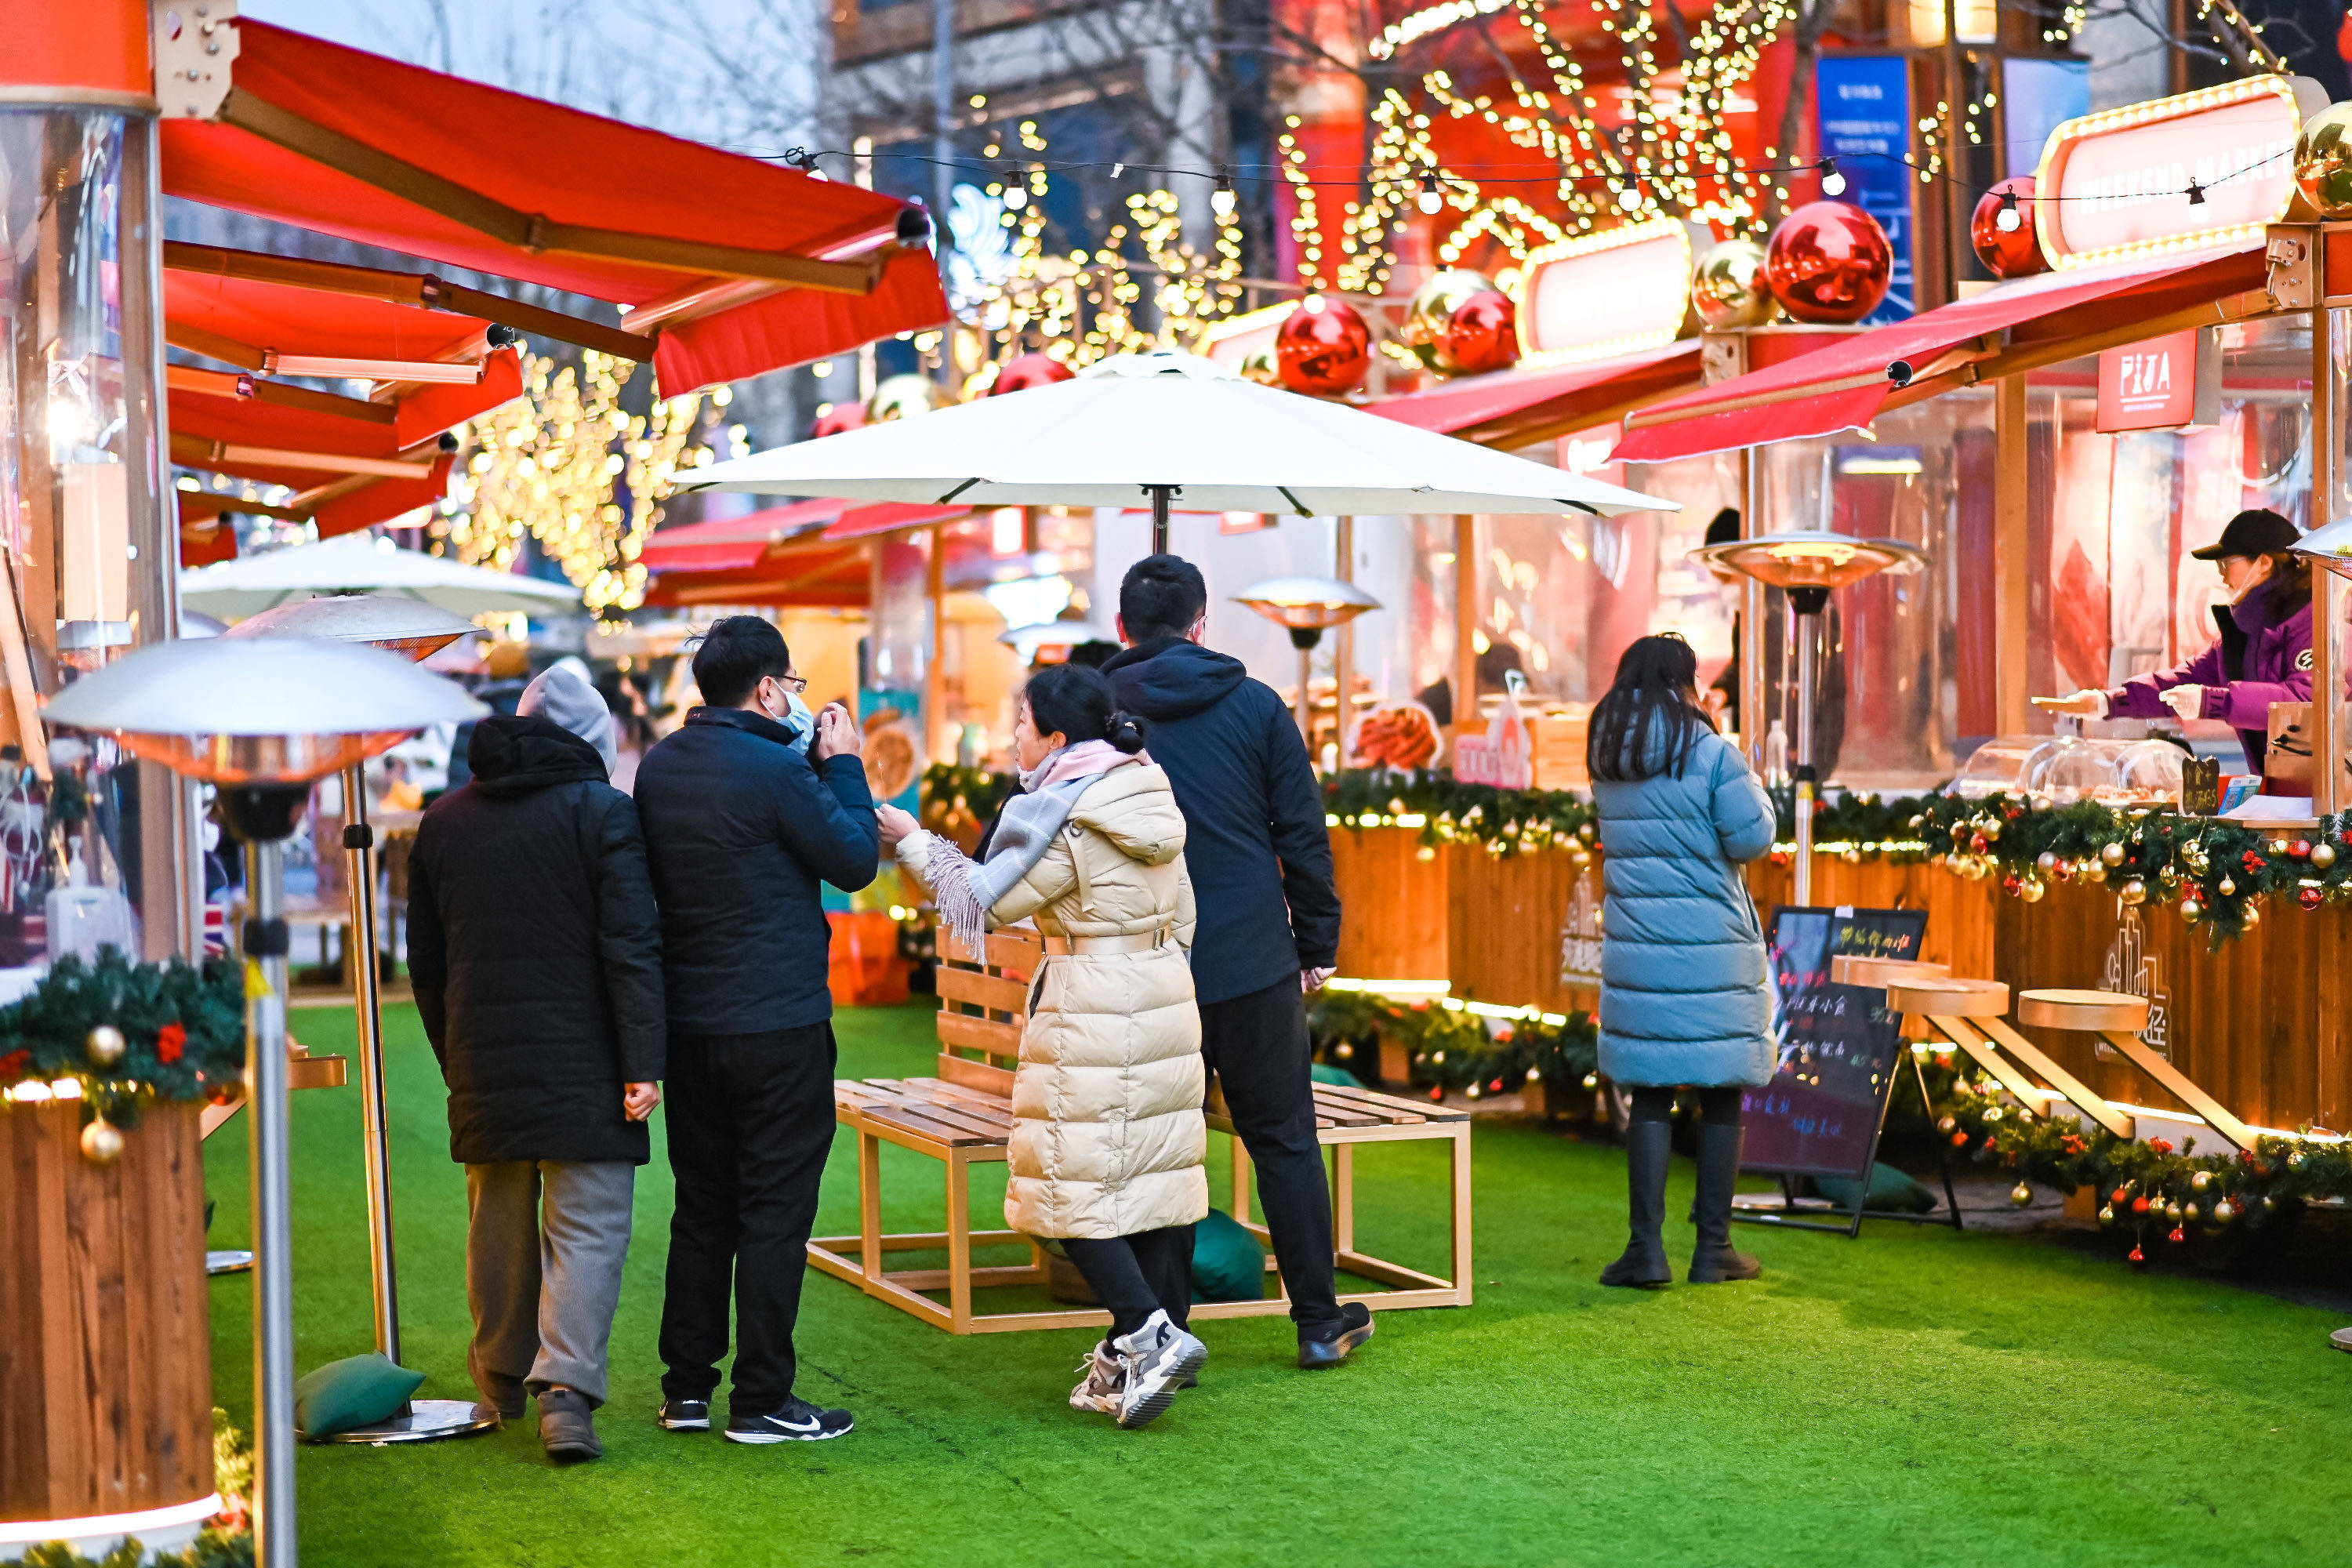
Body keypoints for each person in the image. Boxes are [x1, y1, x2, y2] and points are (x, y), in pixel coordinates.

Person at [880, 663, 1208, 1428]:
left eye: (1021, 723)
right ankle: (1141, 1351)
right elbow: (1184, 909)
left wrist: (912, 840)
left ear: (1058, 736)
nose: (1011, 738)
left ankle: (1147, 1328)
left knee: (1062, 1182)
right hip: (1161, 992)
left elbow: (986, 898)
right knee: (1153, 1177)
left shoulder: (1065, 811)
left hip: (1091, 1000)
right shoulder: (1146, 788)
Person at [1101, 554, 1368, 1368]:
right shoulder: (1257, 705)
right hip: (1253, 956)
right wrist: (1316, 943)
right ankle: (1318, 1321)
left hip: (1144, 967)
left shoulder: (1097, 710)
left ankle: (1164, 1327)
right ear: (1202, 622)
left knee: (1161, 1142)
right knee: (1284, 1136)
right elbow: (1303, 837)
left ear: (1122, 628)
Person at [406, 662, 665, 1463]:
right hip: (589, 1059)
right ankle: (567, 1394)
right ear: (593, 740)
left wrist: (457, 1054)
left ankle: (499, 1379)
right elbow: (631, 947)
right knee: (589, 1224)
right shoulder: (603, 814)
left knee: (499, 1222)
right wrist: (643, 1060)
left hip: (483, 1055)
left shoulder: (443, 821)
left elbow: (425, 960)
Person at [633, 616, 879, 1445]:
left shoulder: (659, 766)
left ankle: (687, 1388)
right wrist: (844, 763)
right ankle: (764, 1396)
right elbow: (852, 859)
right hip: (779, 1020)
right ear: (769, 688)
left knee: (702, 1205)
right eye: (795, 687)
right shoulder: (777, 768)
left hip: (690, 1022)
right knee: (775, 1210)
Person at [1586, 633, 1777, 1289]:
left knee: (1650, 1094)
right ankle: (1713, 1248)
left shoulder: (1609, 756)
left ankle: (1645, 1250)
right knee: (1721, 1094)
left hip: (1639, 951)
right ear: (1687, 682)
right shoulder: (1712, 753)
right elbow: (1752, 838)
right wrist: (1743, 767)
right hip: (1711, 949)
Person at [2042, 508, 2313, 779]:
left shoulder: (2321, 622)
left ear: (2264, 562)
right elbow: (2181, 681)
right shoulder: (2241, 633)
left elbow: (2305, 701)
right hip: (2280, 790)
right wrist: (2107, 702)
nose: (2223, 577)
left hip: (2332, 797)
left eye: (2226, 564)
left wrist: (2213, 701)